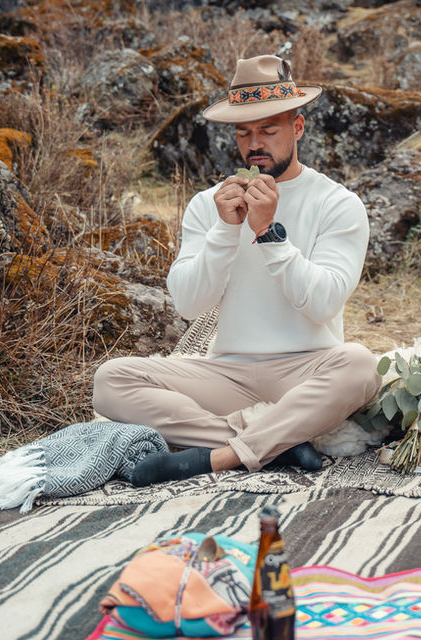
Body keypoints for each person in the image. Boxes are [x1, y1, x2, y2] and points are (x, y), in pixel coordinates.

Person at [92, 55, 381, 486]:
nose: (255, 144)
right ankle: (273, 445)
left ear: (297, 129)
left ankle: (217, 456)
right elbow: (190, 304)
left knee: (361, 366)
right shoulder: (209, 204)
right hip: (227, 372)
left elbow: (323, 304)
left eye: (269, 129)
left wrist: (269, 235)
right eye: (244, 132)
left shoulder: (338, 203)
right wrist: (226, 230)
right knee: (111, 380)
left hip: (308, 368)